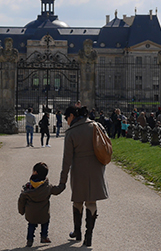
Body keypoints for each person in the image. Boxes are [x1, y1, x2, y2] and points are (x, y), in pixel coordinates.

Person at [57, 105, 108, 246]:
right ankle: (88, 236)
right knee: (91, 202)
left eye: (66, 118)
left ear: (72, 116)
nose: (66, 121)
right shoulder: (97, 126)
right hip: (97, 168)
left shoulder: (71, 132)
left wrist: (62, 182)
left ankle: (77, 231)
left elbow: (66, 160)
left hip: (79, 170)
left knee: (78, 200)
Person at [18, 162, 62, 247]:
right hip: (43, 212)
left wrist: (21, 210)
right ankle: (44, 237)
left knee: (31, 225)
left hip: (31, 213)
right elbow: (57, 191)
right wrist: (62, 185)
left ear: (35, 173)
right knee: (45, 223)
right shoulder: (47, 187)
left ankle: (29, 240)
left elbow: (22, 200)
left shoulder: (28, 186)